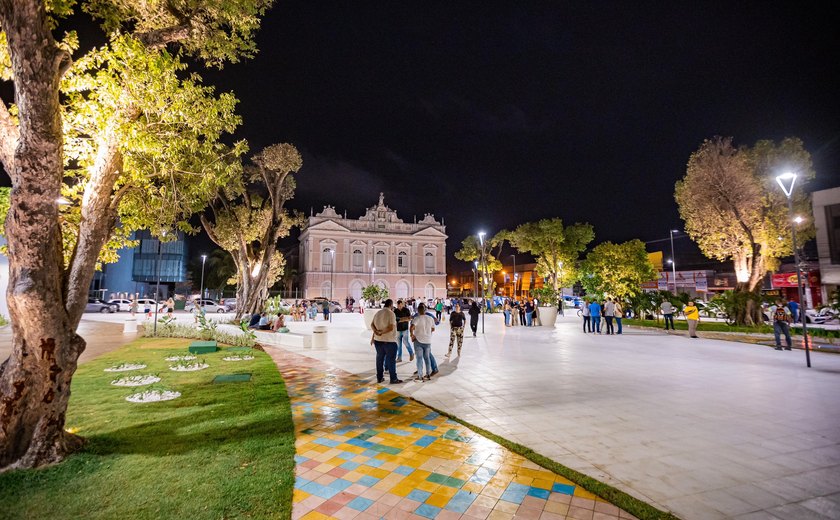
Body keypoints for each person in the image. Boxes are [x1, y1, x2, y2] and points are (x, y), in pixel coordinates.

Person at [371, 299, 402, 384]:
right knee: (391, 360)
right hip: (389, 341)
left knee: (379, 359)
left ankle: (379, 378)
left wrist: (376, 332)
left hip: (378, 341)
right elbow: (391, 327)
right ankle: (393, 379)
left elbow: (372, 324)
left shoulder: (378, 313)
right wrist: (381, 332)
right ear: (391, 305)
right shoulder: (391, 313)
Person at [410, 303, 435, 381]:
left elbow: (411, 327)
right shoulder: (430, 318)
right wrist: (427, 332)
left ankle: (420, 376)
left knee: (419, 358)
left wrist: (412, 335)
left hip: (418, 340)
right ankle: (428, 374)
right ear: (425, 310)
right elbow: (433, 329)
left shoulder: (417, 318)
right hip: (428, 341)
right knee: (427, 358)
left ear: (418, 311)